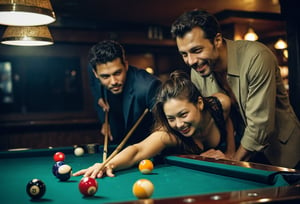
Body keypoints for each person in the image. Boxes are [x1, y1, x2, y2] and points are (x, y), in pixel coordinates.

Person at [170, 9, 300, 168]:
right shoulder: (197, 70)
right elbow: (222, 114)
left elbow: (260, 127)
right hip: (246, 152)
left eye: (197, 50)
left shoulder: (256, 57)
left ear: (217, 40)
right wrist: (229, 153)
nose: (190, 61)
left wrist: (233, 162)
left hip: (285, 152)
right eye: (184, 54)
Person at [73, 70, 236, 178]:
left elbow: (227, 121)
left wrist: (230, 154)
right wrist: (108, 164)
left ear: (199, 104)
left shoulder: (221, 104)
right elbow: (137, 150)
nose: (179, 124)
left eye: (183, 114)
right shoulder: (169, 135)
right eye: (171, 118)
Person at [87, 40, 162, 145]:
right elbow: (94, 86)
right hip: (117, 141)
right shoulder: (95, 78)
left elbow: (165, 128)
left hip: (147, 147)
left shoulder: (148, 87)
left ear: (126, 65)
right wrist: (104, 120)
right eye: (105, 76)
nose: (113, 82)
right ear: (96, 73)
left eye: (117, 73)